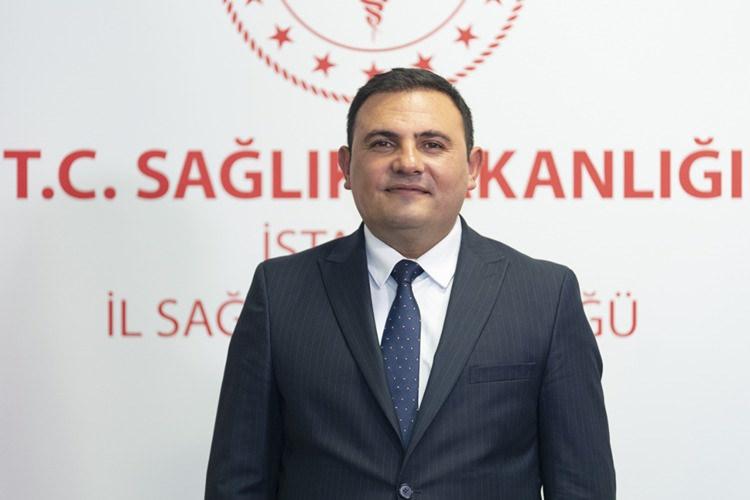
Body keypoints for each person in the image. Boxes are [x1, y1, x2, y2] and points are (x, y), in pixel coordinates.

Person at [205, 68, 616, 500]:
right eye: (383, 143)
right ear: (345, 166)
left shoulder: (545, 296)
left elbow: (582, 487)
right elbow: (238, 483)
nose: (408, 162)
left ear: (472, 168)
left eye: (432, 144)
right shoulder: (280, 293)